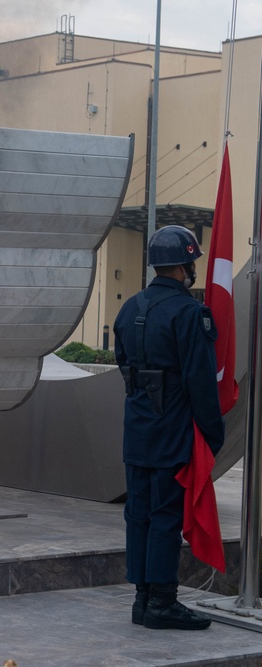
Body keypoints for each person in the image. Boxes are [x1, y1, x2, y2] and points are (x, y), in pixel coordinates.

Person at [113, 225, 224, 631]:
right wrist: (213, 435)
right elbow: (200, 381)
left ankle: (142, 600)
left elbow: (123, 363)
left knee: (137, 513)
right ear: (183, 266)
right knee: (164, 515)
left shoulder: (129, 308)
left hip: (137, 427)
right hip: (172, 429)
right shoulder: (190, 314)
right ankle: (161, 601)